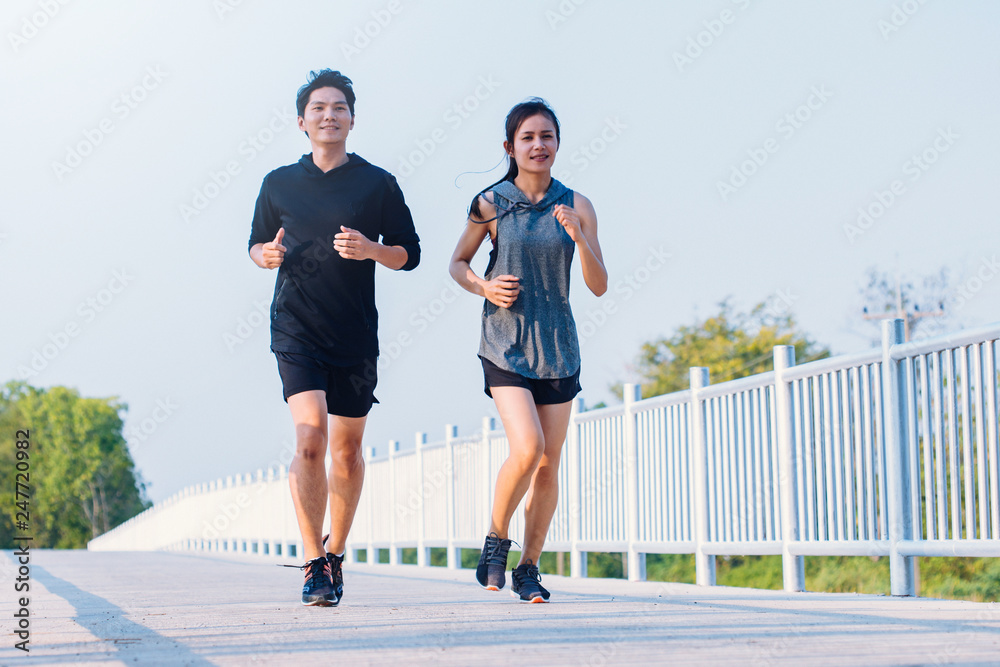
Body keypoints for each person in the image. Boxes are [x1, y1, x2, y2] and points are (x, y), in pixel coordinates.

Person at [248, 69, 420, 606]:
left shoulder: (377, 184)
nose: (329, 115)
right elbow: (256, 243)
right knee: (309, 438)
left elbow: (409, 253)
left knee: (345, 453)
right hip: (295, 327)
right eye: (318, 108)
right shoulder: (278, 183)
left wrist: (372, 248)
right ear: (302, 122)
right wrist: (265, 256)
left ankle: (336, 552)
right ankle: (310, 559)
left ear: (352, 119)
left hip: (354, 335)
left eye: (339, 107)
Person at [448, 98, 607, 603]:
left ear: (558, 143)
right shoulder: (490, 203)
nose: (538, 146)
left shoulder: (578, 205)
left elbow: (599, 285)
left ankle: (529, 568)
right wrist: (483, 287)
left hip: (558, 346)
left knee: (548, 465)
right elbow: (457, 263)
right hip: (505, 343)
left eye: (547, 137)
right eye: (528, 138)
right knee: (529, 447)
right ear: (510, 147)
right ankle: (496, 539)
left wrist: (580, 237)